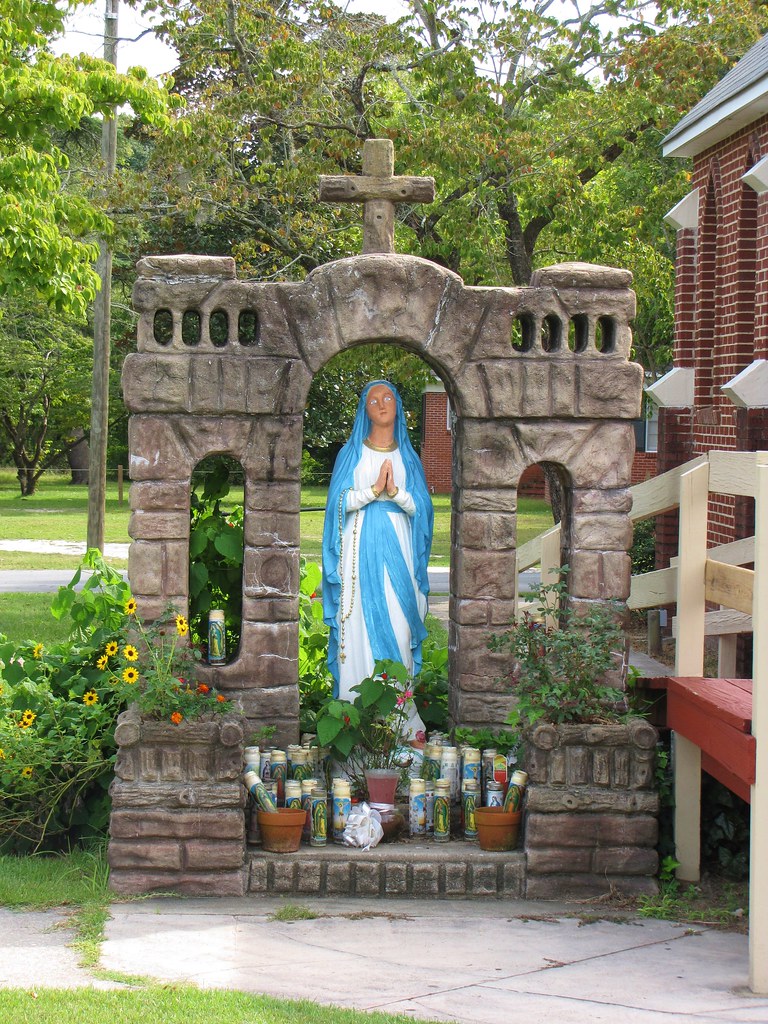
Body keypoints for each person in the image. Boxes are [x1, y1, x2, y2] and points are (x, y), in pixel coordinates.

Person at [322, 381, 434, 736]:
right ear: (364, 409)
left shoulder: (408, 458)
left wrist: (396, 493)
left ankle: (399, 724)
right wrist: (371, 492)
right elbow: (336, 505)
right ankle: (357, 723)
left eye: (388, 398)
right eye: (373, 399)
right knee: (358, 633)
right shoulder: (351, 454)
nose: (382, 404)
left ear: (399, 406)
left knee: (401, 627)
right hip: (358, 552)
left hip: (399, 547)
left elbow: (424, 510)